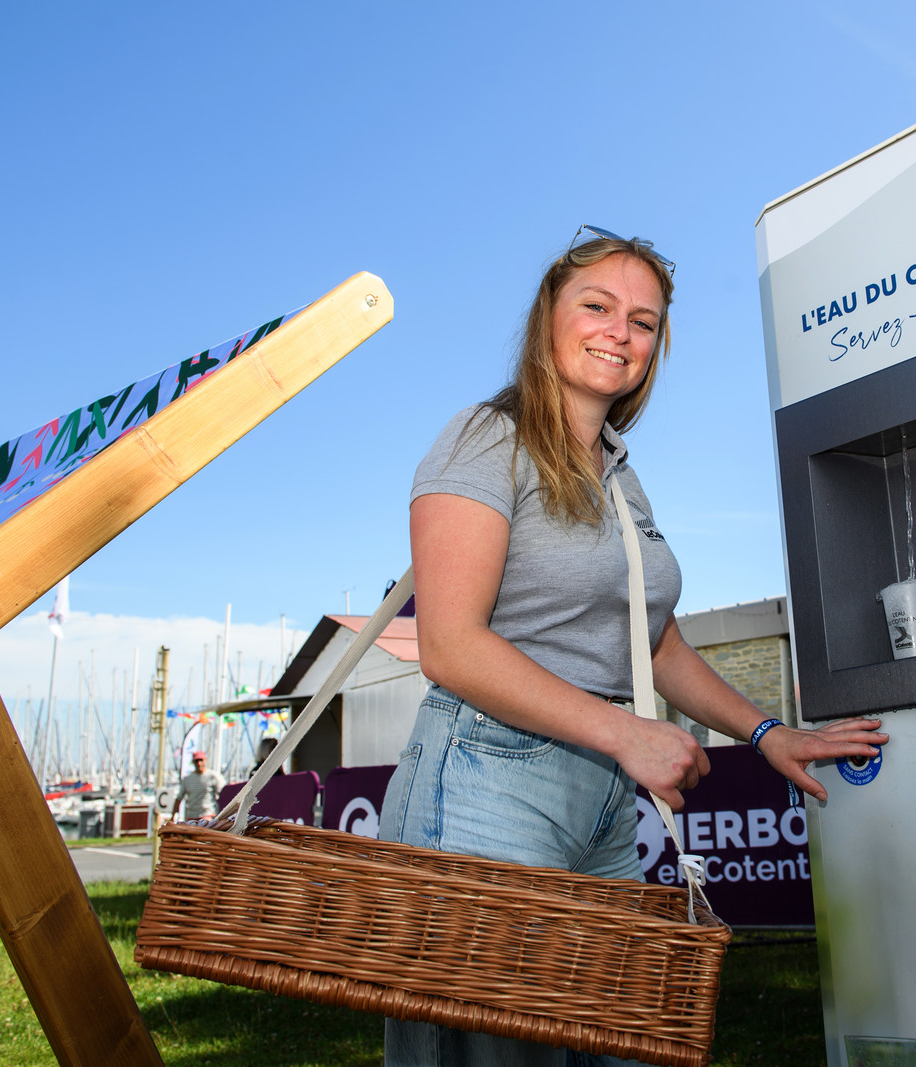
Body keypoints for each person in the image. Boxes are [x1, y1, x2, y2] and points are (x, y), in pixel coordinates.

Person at [379, 226, 888, 1066]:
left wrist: (768, 733)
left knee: (618, 1045)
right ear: (550, 317)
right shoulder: (484, 437)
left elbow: (654, 645)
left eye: (644, 321)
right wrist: (628, 735)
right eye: (599, 306)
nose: (622, 331)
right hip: (484, 787)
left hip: (604, 802)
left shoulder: (620, 474)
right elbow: (451, 645)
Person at [173, 750, 224, 822]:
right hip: (191, 816)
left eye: (201, 760)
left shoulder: (213, 776)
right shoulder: (187, 779)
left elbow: (224, 794)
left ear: (205, 760)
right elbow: (179, 798)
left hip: (208, 815)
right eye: (196, 761)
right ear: (193, 762)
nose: (199, 763)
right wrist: (173, 815)